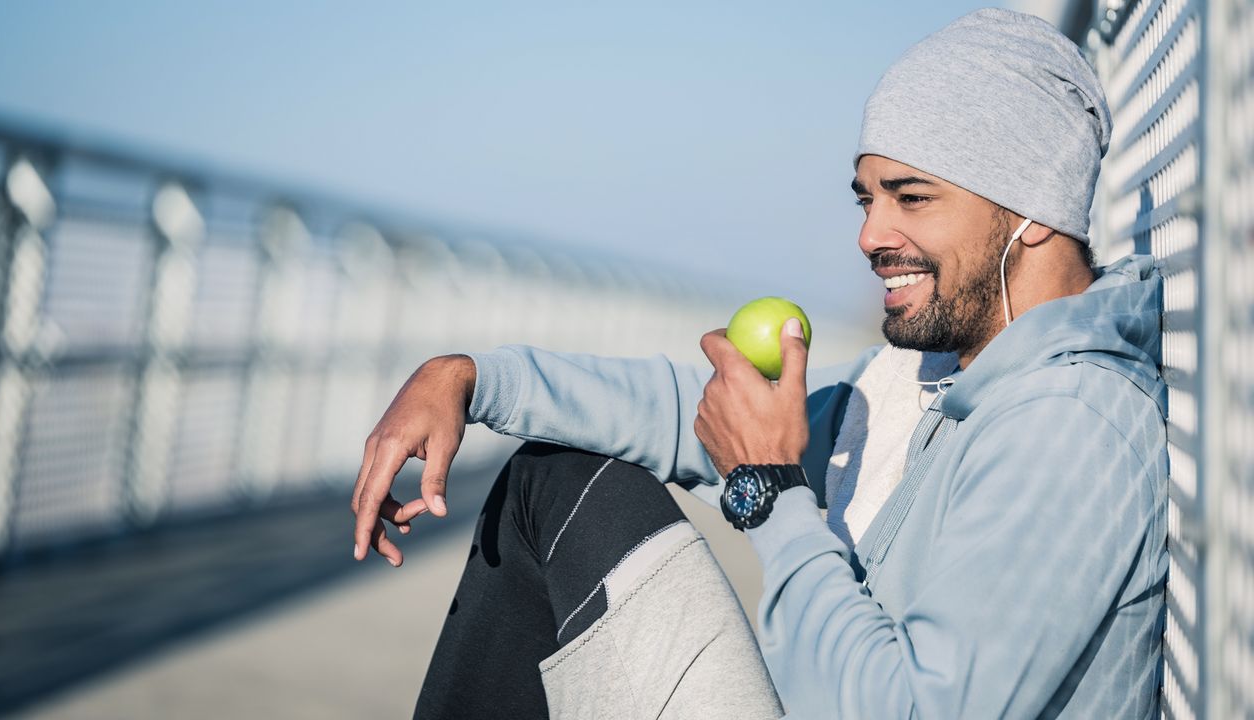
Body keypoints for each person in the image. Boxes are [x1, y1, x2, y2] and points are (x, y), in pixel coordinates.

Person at [351, 9, 1168, 719]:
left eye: (910, 197)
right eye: (867, 197)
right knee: (554, 477)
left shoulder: (1069, 424)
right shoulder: (939, 379)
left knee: (547, 493)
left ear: (1031, 210)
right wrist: (472, 378)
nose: (870, 236)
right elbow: (688, 410)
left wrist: (771, 493)